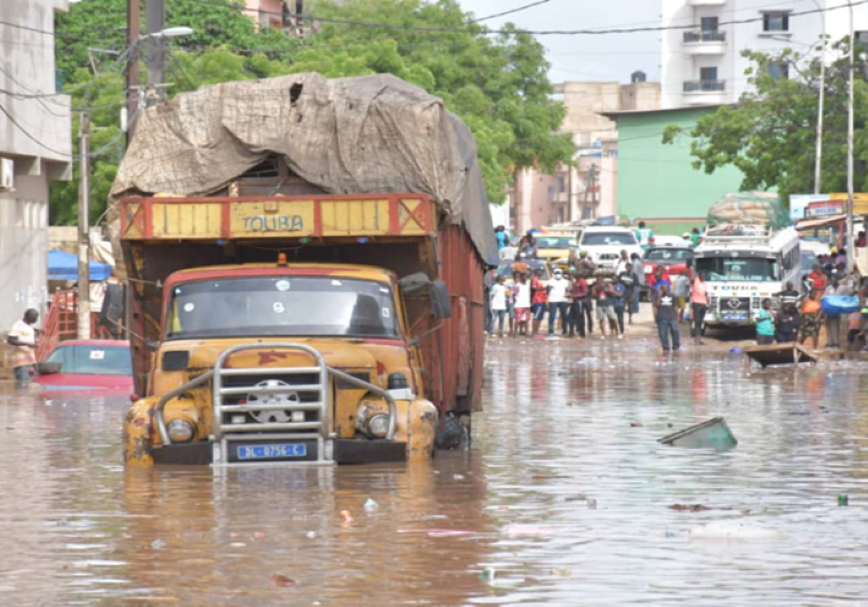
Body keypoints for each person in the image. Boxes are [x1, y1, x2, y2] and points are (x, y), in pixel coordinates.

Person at [7, 309, 39, 388]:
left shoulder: (27, 326)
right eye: (34, 317)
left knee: (29, 386)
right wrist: (28, 344)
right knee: (23, 386)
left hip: (29, 361)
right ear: (27, 316)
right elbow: (10, 340)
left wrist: (36, 330)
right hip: (21, 363)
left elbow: (24, 332)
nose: (36, 319)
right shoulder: (18, 326)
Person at [654, 283, 680, 353]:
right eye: (663, 288)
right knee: (663, 333)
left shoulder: (673, 296)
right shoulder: (657, 296)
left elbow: (675, 306)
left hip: (672, 316)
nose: (664, 289)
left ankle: (676, 347)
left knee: (675, 332)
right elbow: (656, 305)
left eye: (666, 287)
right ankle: (665, 348)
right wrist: (659, 296)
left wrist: (677, 315)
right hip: (662, 317)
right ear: (661, 289)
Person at [547, 268, 569, 337]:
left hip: (563, 300)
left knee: (564, 316)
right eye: (556, 273)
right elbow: (547, 290)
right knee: (552, 316)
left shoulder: (565, 281)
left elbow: (567, 290)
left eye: (559, 273)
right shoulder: (550, 281)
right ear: (554, 274)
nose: (558, 274)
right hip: (553, 300)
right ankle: (551, 331)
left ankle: (564, 330)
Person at [568, 270, 589, 338]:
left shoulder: (582, 281)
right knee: (570, 316)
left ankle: (582, 333)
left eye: (575, 274)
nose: (574, 275)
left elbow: (585, 293)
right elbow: (574, 290)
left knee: (580, 317)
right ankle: (571, 332)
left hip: (580, 302)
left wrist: (574, 296)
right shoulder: (576, 281)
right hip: (574, 301)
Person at [690, 271, 708, 346]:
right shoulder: (695, 281)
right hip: (696, 303)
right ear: (699, 276)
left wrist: (708, 303)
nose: (703, 277)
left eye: (704, 276)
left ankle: (699, 339)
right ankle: (696, 340)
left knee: (701, 322)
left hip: (703, 304)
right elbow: (692, 279)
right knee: (697, 322)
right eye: (702, 275)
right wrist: (694, 274)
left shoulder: (704, 283)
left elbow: (706, 294)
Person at [530, 268, 548, 337]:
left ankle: (537, 332)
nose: (541, 273)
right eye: (539, 271)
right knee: (536, 317)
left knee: (540, 318)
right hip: (537, 300)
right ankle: (534, 332)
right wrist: (544, 288)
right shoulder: (534, 279)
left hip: (542, 300)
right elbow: (534, 288)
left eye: (541, 272)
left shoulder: (539, 280)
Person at [629, 252, 645, 323]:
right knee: (637, 294)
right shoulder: (639, 262)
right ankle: (636, 308)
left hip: (636, 280)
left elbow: (634, 272)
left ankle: (635, 308)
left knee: (635, 294)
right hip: (641, 279)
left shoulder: (635, 263)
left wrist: (630, 277)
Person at [611, 274, 627, 339]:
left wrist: (612, 292)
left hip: (620, 304)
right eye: (612, 279)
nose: (613, 280)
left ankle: (621, 331)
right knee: (612, 318)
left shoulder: (621, 286)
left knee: (620, 319)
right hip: (612, 304)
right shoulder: (611, 286)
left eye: (614, 279)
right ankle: (613, 330)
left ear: (617, 279)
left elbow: (620, 294)